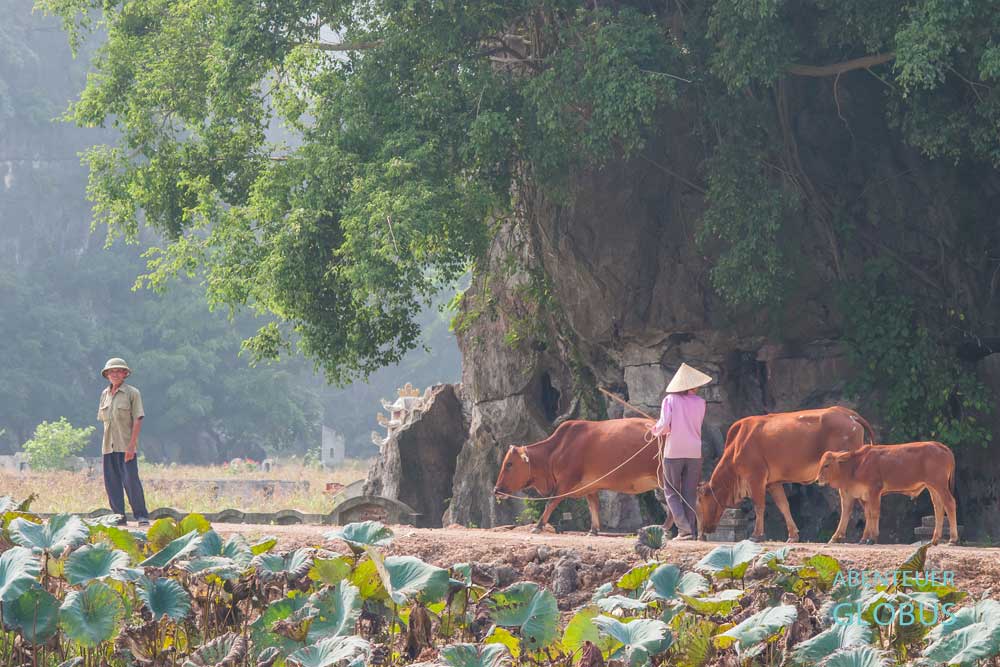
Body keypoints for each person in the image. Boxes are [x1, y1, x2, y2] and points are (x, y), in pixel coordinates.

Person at [649, 363, 711, 541]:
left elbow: (665, 425)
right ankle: (689, 530)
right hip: (694, 451)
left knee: (671, 491)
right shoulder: (700, 402)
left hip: (674, 450)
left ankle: (683, 530)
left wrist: (654, 429)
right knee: (689, 492)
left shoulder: (670, 400)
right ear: (691, 385)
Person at [97, 358, 150, 527]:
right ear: (107, 375)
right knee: (111, 483)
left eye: (119, 371)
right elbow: (105, 421)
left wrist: (132, 445)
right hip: (108, 446)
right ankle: (119, 516)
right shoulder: (104, 394)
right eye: (111, 371)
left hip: (126, 445)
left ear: (125, 374)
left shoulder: (132, 393)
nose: (115, 374)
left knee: (131, 480)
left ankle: (141, 515)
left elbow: (138, 419)